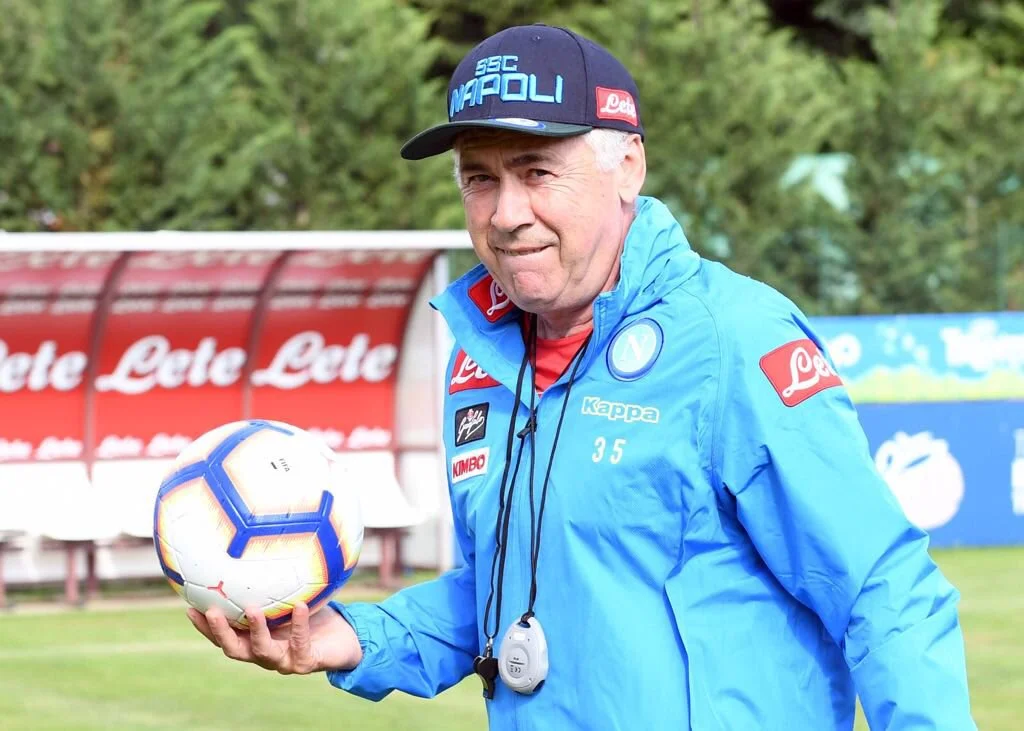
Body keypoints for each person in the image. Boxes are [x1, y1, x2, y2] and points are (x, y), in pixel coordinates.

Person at [189, 24, 976, 730]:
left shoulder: (733, 338)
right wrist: (357, 636)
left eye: (537, 171)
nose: (506, 213)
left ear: (627, 165)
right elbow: (502, 593)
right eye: (480, 178)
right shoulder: (480, 359)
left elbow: (881, 589)